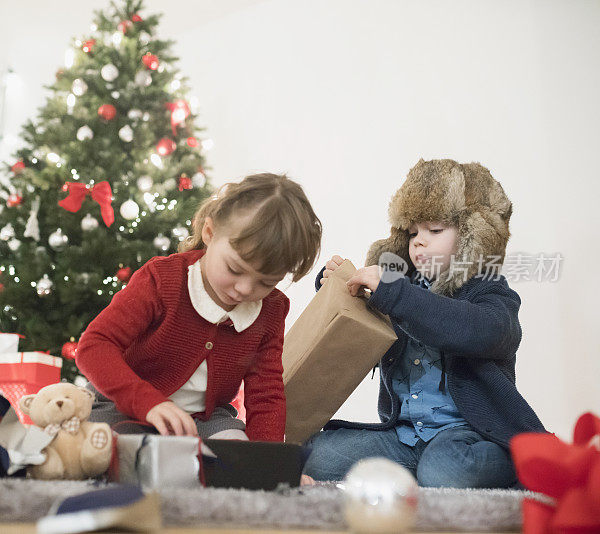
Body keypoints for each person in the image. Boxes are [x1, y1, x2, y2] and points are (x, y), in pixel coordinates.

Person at [303, 158, 546, 487]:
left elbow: (478, 330)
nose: (419, 241)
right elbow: (363, 332)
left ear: (471, 237)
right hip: (404, 437)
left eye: (435, 230)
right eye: (413, 231)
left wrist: (395, 293)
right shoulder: (402, 288)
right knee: (317, 456)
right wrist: (338, 288)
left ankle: (513, 461)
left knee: (446, 471)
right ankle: (414, 473)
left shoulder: (490, 292)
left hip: (466, 436)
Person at [76, 173, 322, 441]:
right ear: (209, 232)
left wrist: (269, 463)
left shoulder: (271, 309)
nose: (245, 290)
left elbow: (266, 393)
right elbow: (94, 345)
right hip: (124, 405)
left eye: (266, 282)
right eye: (234, 269)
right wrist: (148, 403)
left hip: (204, 421)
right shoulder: (163, 278)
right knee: (104, 448)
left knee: (236, 455)